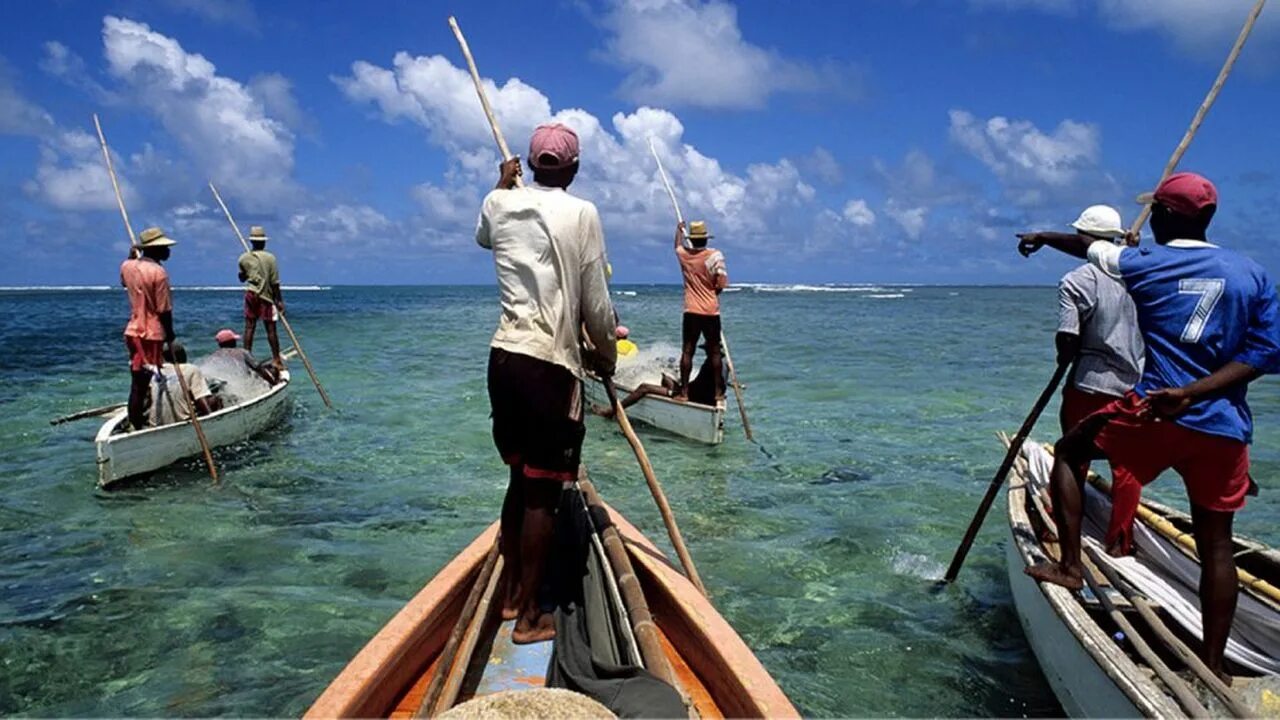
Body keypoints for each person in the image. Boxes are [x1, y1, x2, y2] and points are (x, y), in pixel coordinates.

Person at [1016, 172, 1280, 682]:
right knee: (1217, 546)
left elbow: (1090, 249)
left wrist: (1043, 237)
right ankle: (1212, 664)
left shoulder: (1146, 263)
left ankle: (1070, 568)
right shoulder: (1252, 273)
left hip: (1155, 413)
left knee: (1069, 453)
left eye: (1155, 210)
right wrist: (1199, 393)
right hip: (1223, 425)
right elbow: (1268, 354)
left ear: (1163, 215)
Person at [476, 122, 616, 644]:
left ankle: (512, 594)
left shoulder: (498, 205)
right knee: (543, 494)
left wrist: (500, 185)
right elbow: (596, 302)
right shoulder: (582, 213)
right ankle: (532, 616)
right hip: (549, 366)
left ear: (530, 166)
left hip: (504, 359)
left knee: (519, 479)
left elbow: (485, 233)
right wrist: (604, 355)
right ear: (574, 169)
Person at [1055, 205, 1146, 555]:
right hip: (1133, 384)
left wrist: (1065, 355)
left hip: (1089, 384)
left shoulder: (1077, 280)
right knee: (1126, 466)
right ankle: (1121, 539)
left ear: (1085, 239)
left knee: (1072, 458)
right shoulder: (1141, 276)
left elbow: (1067, 337)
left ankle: (1061, 534)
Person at [120, 227, 177, 430]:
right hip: (151, 333)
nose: (168, 251)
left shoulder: (127, 266)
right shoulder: (159, 273)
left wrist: (130, 258)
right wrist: (170, 334)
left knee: (138, 381)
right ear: (155, 250)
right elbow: (164, 309)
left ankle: (137, 421)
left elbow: (123, 282)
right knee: (142, 384)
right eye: (164, 248)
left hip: (132, 331)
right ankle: (139, 424)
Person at [591, 344, 724, 419]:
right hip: (698, 394)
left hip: (694, 397)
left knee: (644, 387)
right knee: (667, 378)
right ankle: (667, 408)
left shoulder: (711, 364)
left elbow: (701, 387)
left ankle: (612, 411)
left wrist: (680, 391)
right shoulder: (720, 364)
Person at [674, 220, 728, 401]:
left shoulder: (684, 255)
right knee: (714, 351)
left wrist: (679, 231)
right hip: (711, 310)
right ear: (705, 239)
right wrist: (713, 293)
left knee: (687, 351)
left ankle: (684, 393)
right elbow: (721, 282)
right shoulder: (715, 256)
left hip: (691, 310)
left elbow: (677, 246)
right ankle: (718, 392)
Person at [238, 225, 285, 369]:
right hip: (266, 297)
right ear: (263, 242)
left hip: (251, 294)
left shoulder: (244, 258)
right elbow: (274, 282)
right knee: (271, 329)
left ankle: (247, 357)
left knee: (249, 327)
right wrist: (279, 301)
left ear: (252, 242)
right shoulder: (270, 258)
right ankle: (276, 359)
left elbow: (241, 277)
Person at [150, 341, 218, 425]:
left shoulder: (155, 373)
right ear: (182, 354)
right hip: (184, 421)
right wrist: (212, 421)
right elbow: (201, 400)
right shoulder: (191, 369)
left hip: (157, 425)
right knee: (214, 399)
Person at [211, 328, 281, 385]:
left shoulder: (214, 356)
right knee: (273, 369)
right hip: (245, 383)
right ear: (232, 342)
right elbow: (258, 369)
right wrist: (273, 382)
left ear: (220, 345)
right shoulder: (242, 352)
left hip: (227, 384)